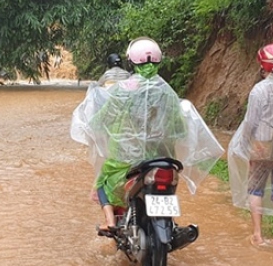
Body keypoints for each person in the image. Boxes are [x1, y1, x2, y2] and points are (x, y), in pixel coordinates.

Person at [71, 37, 224, 232]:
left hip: (125, 161)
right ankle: (169, 223)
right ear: (159, 61)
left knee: (102, 182)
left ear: (131, 62)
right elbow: (180, 129)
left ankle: (110, 223)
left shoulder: (123, 90)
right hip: (162, 159)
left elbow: (101, 121)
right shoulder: (167, 92)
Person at [228, 43, 273, 247]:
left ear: (263, 66)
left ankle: (258, 235)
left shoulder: (259, 90)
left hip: (262, 146)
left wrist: (243, 144)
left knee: (255, 188)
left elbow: (251, 122)